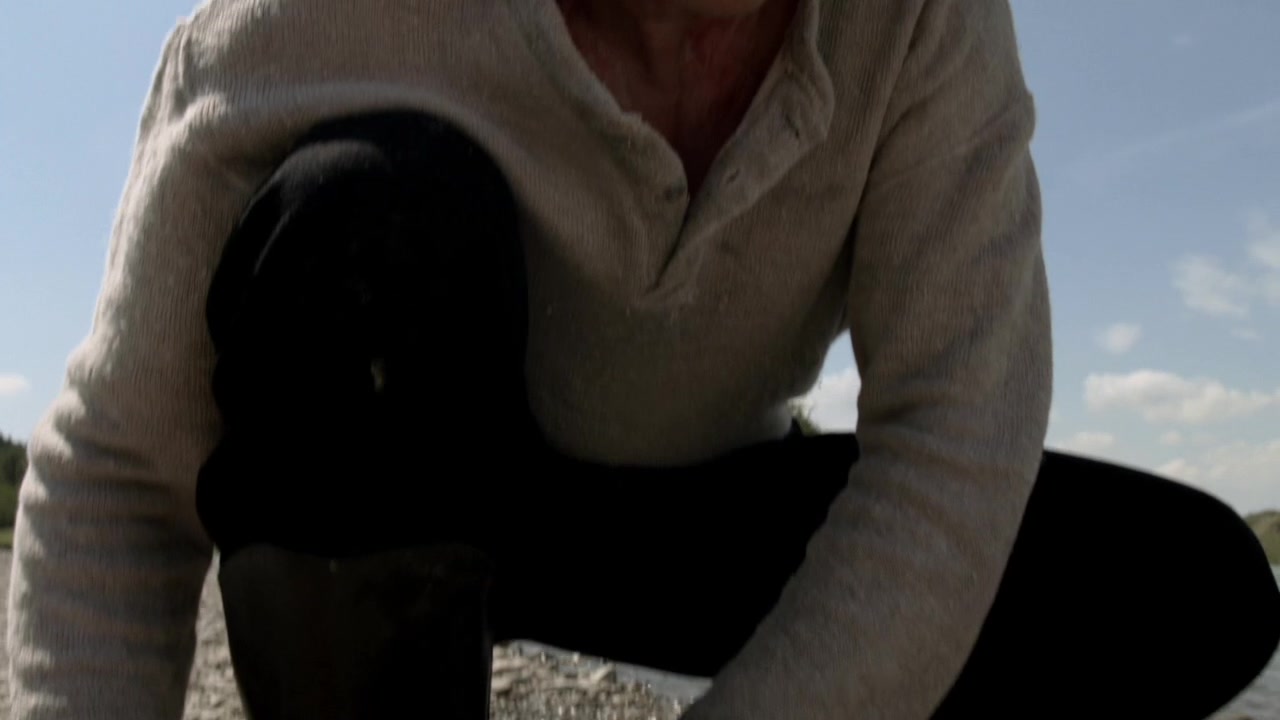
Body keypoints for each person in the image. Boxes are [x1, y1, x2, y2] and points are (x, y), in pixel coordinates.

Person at [8, 0, 1279, 718]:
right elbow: (117, 474)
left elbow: (953, 441)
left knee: (1186, 588)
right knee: (366, 210)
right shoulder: (306, 24)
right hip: (416, 485)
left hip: (700, 514)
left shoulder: (921, 25)